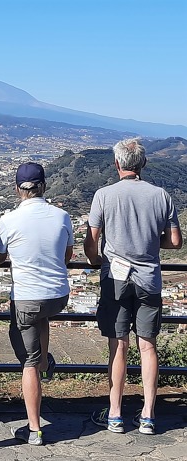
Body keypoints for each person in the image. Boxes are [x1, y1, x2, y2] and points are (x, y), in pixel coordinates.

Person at [84, 138, 182, 435]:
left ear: (117, 164)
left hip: (115, 278)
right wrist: (153, 244)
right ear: (143, 164)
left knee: (119, 345)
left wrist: (97, 260)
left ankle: (114, 413)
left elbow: (91, 243)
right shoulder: (161, 195)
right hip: (149, 278)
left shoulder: (104, 195)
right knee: (148, 346)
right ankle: (148, 415)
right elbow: (176, 242)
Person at [0, 162, 73, 445]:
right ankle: (46, 363)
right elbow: (67, 255)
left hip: (27, 297)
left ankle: (35, 428)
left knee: (28, 361)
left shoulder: (8, 220)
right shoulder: (62, 216)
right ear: (44, 187)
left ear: (17, 190)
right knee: (43, 317)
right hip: (58, 295)